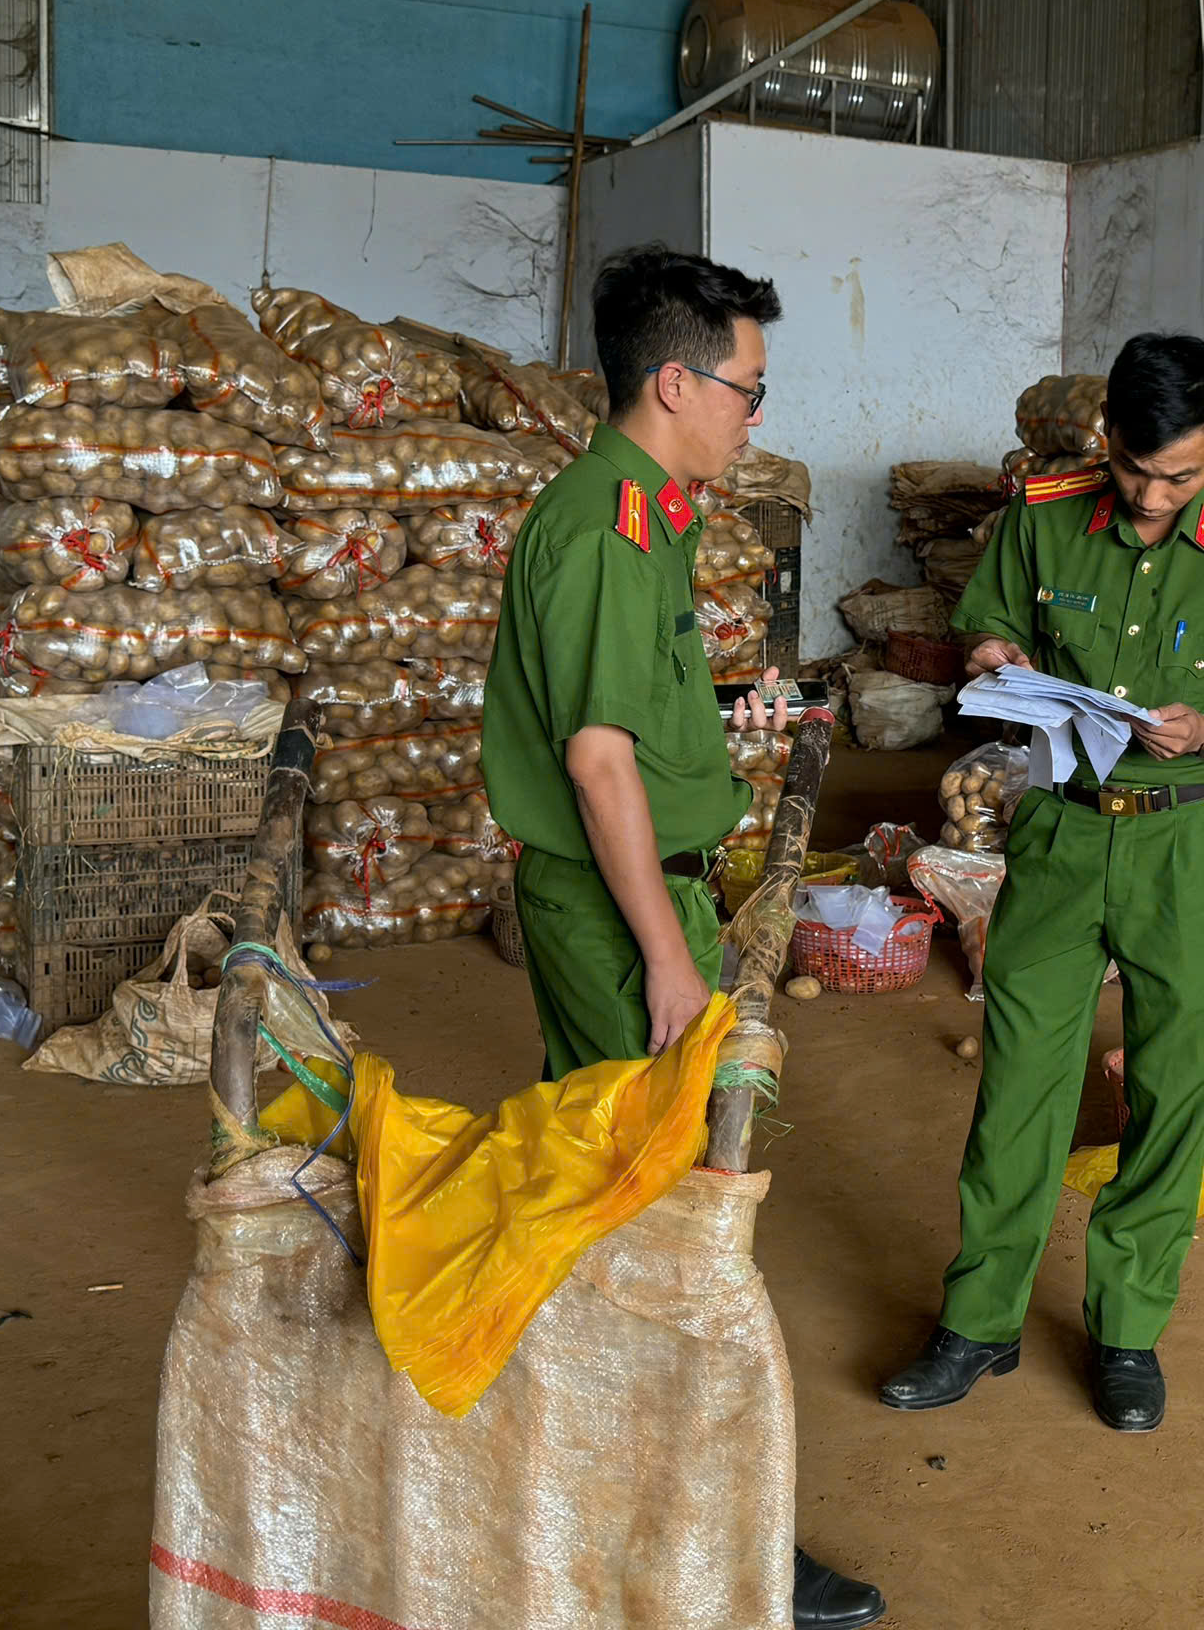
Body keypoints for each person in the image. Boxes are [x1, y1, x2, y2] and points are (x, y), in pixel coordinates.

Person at [482, 243, 884, 1630]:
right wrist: (667, 953)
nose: (755, 415)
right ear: (673, 380)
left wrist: (718, 732)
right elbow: (597, 766)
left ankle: (628, 1487)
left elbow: (634, 725)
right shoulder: (604, 528)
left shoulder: (643, 515)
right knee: (662, 1215)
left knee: (635, 1189)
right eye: (749, 390)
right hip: (617, 914)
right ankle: (701, 1536)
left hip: (651, 891)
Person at [879, 332, 1204, 1433]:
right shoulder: (1044, 512)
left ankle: (1126, 1333)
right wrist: (993, 658)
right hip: (1063, 837)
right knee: (1019, 1084)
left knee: (1173, 1093)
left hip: (1187, 843)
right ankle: (978, 1321)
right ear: (1105, 442)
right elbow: (986, 619)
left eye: (1177, 474)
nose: (1149, 495)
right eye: (1132, 469)